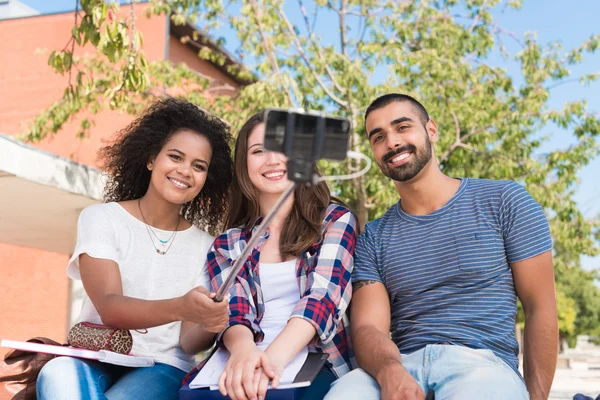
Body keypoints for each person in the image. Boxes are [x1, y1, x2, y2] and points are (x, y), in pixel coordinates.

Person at [325, 94, 558, 400]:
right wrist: (389, 371)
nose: (392, 143)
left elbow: (540, 307)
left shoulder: (505, 201)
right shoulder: (373, 236)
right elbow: (369, 328)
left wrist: (536, 397)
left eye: (402, 127)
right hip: (401, 363)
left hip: (483, 367)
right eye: (378, 137)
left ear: (431, 130)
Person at [36, 98, 233, 400]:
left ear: (207, 179)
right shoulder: (102, 219)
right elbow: (111, 308)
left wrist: (213, 321)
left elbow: (189, 343)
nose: (185, 171)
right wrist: (181, 306)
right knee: (56, 373)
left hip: (163, 367)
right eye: (176, 157)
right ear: (151, 158)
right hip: (95, 355)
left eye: (199, 166)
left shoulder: (207, 246)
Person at [200, 112, 356, 400]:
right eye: (258, 151)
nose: (272, 160)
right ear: (244, 165)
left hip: (314, 363)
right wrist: (246, 354)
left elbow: (322, 300)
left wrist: (268, 364)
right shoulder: (228, 243)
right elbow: (233, 310)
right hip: (241, 360)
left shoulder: (335, 221)